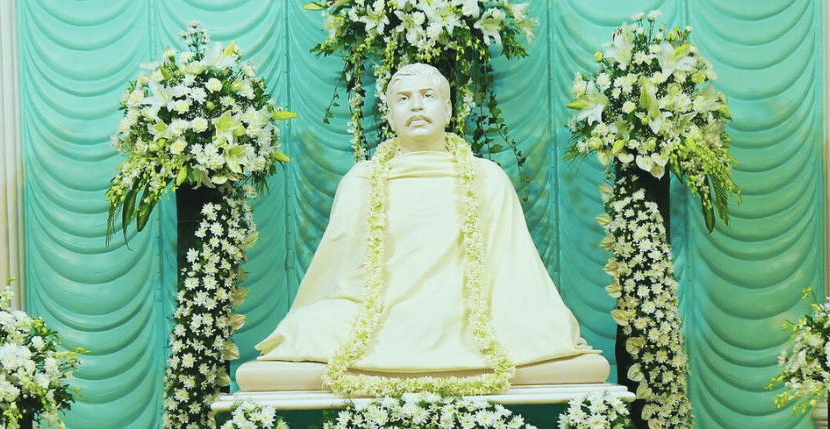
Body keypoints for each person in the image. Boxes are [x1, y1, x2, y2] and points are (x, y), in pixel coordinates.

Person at [247, 63, 603, 394]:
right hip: (380, 316)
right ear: (389, 116)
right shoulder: (361, 180)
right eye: (403, 99)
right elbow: (343, 274)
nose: (416, 106)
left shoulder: (487, 177)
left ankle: (427, 348)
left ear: (448, 110)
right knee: (306, 326)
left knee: (550, 324)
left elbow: (513, 269)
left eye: (428, 96)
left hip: (466, 314)